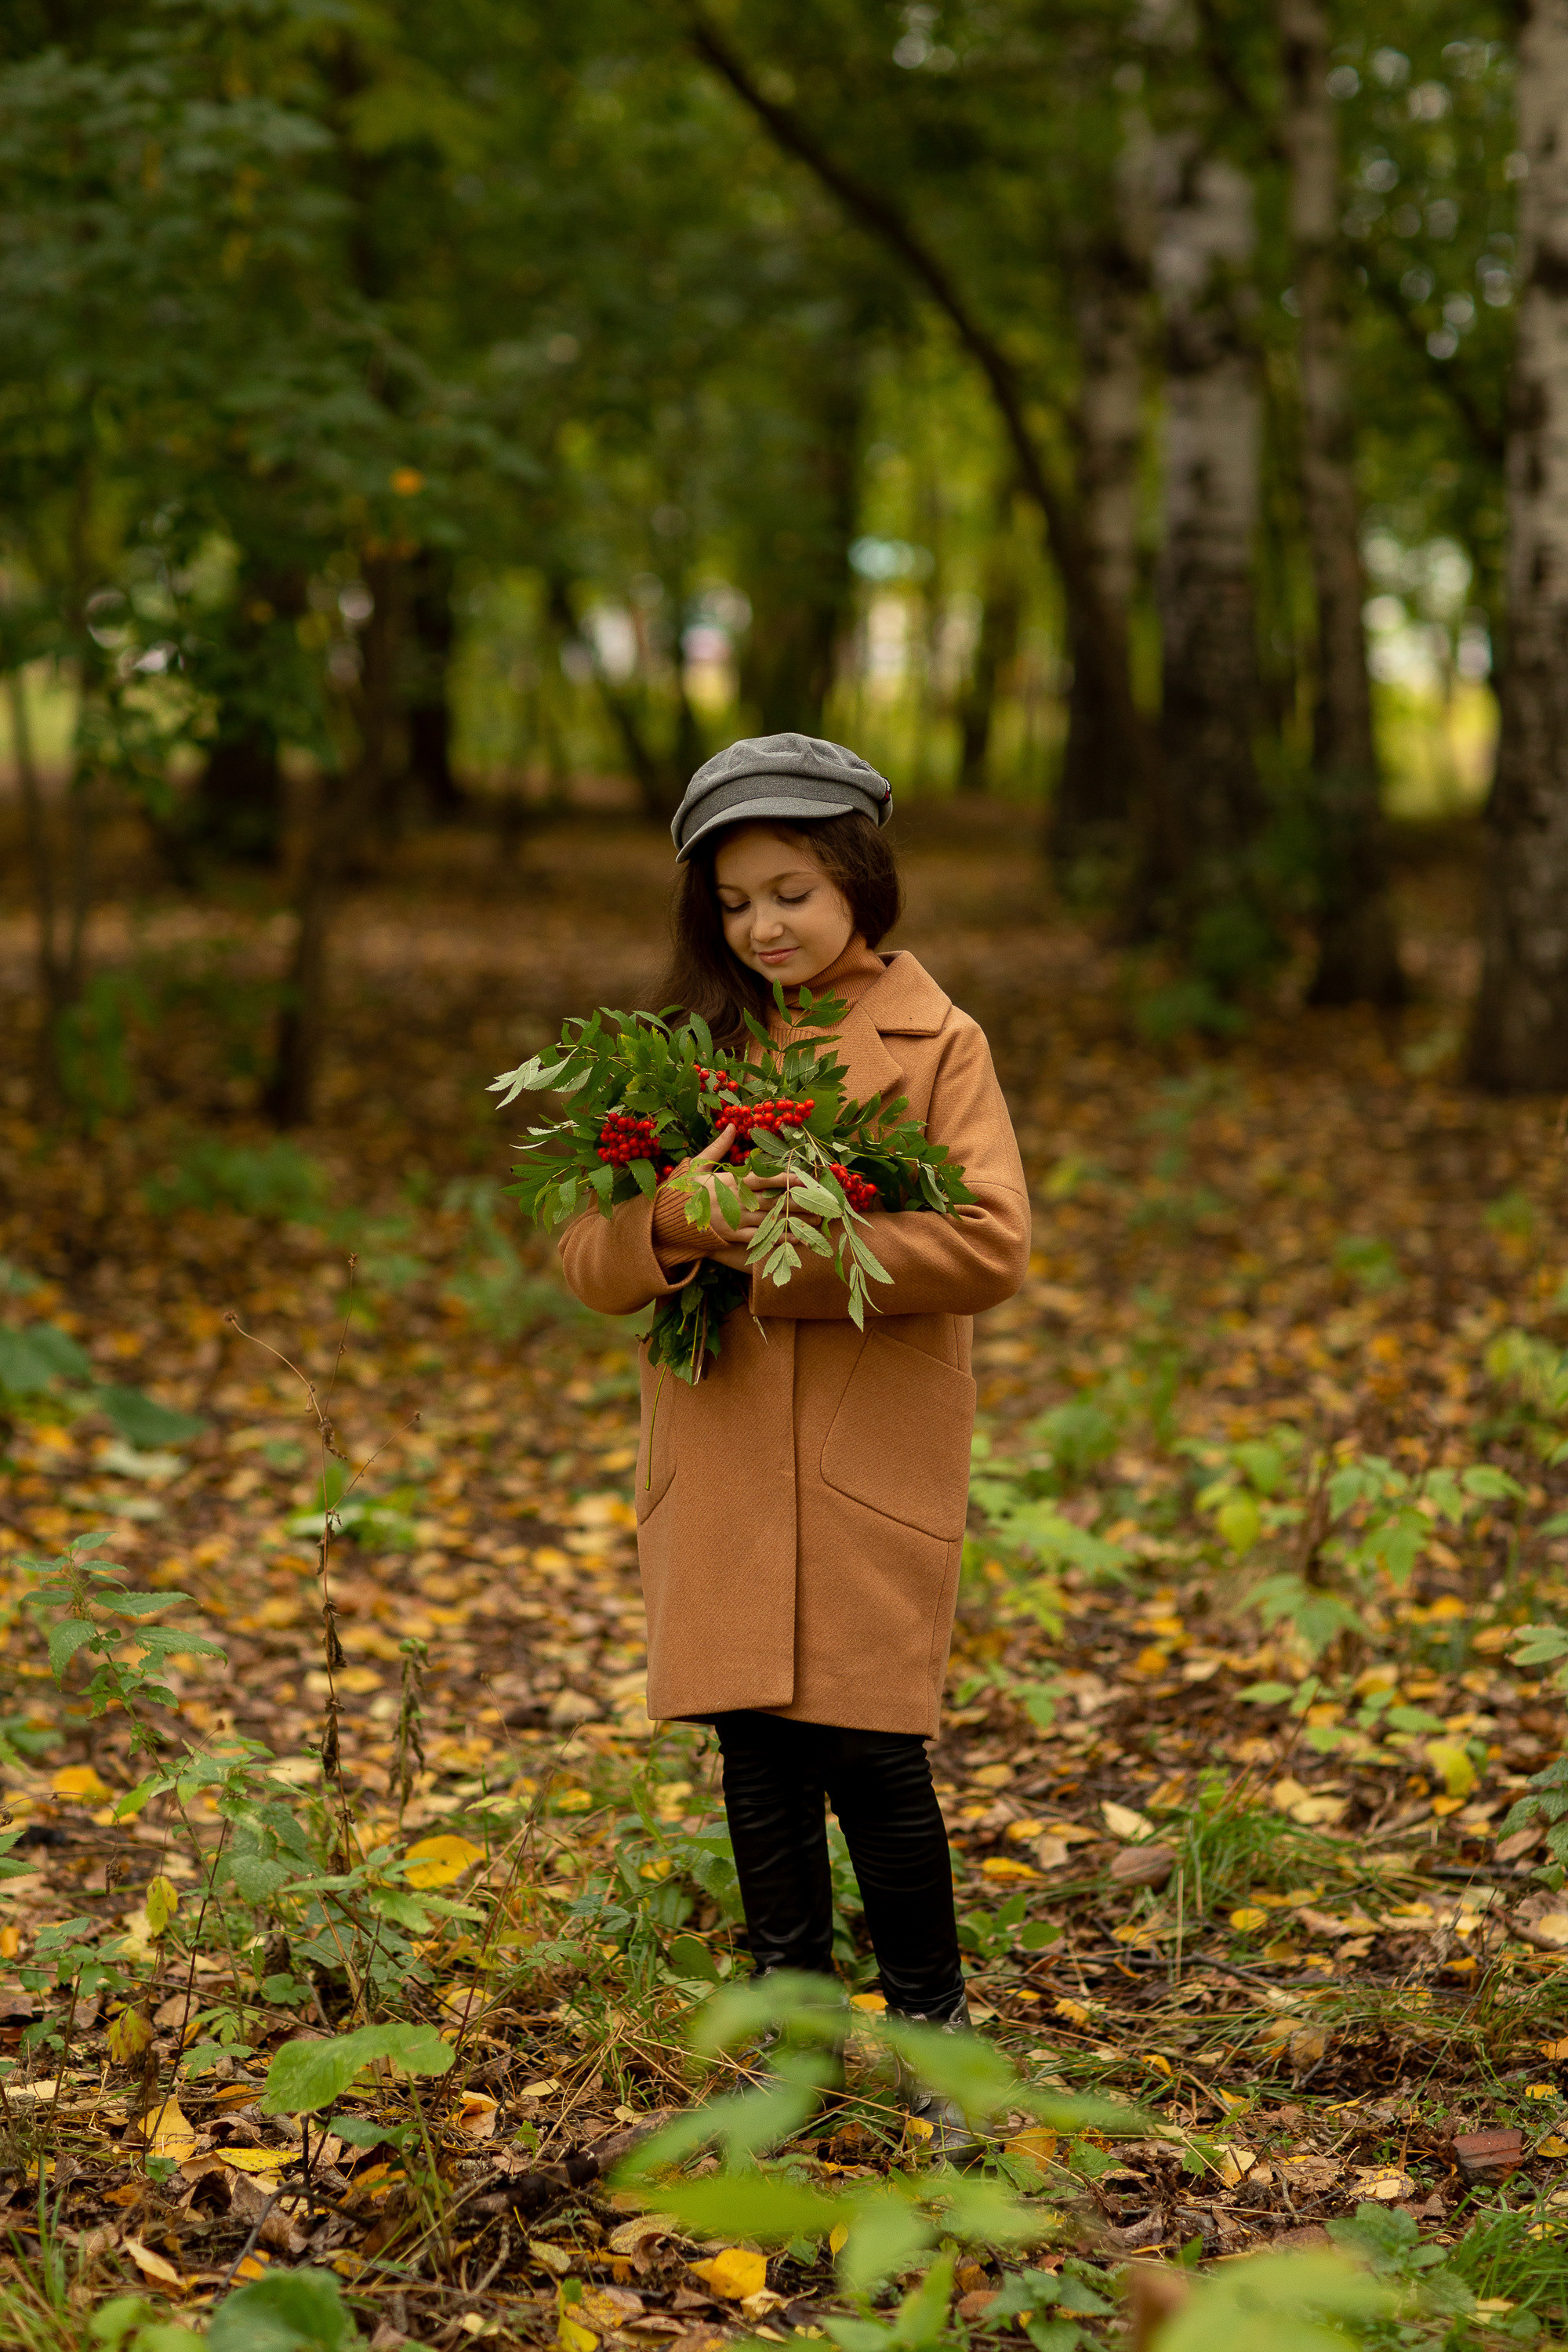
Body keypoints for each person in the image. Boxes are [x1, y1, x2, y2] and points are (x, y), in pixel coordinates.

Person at [558, 733, 1031, 2139]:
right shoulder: (680, 1052)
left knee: (873, 1750)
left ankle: (937, 2039)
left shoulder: (940, 1043)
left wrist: (781, 1248)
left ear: (860, 886)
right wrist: (664, 1225)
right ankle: (795, 2038)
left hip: (866, 1454)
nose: (763, 925)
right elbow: (585, 1257)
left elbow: (992, 1243)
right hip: (718, 1454)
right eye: (735, 901)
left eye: (792, 892)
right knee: (753, 1750)